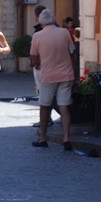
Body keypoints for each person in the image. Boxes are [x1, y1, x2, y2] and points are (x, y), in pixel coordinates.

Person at [30, 9, 75, 150]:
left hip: (48, 76)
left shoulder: (37, 36)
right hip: (66, 74)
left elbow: (34, 59)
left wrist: (38, 63)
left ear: (41, 21)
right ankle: (66, 138)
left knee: (45, 106)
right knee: (64, 106)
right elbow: (72, 52)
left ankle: (43, 138)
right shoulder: (64, 32)